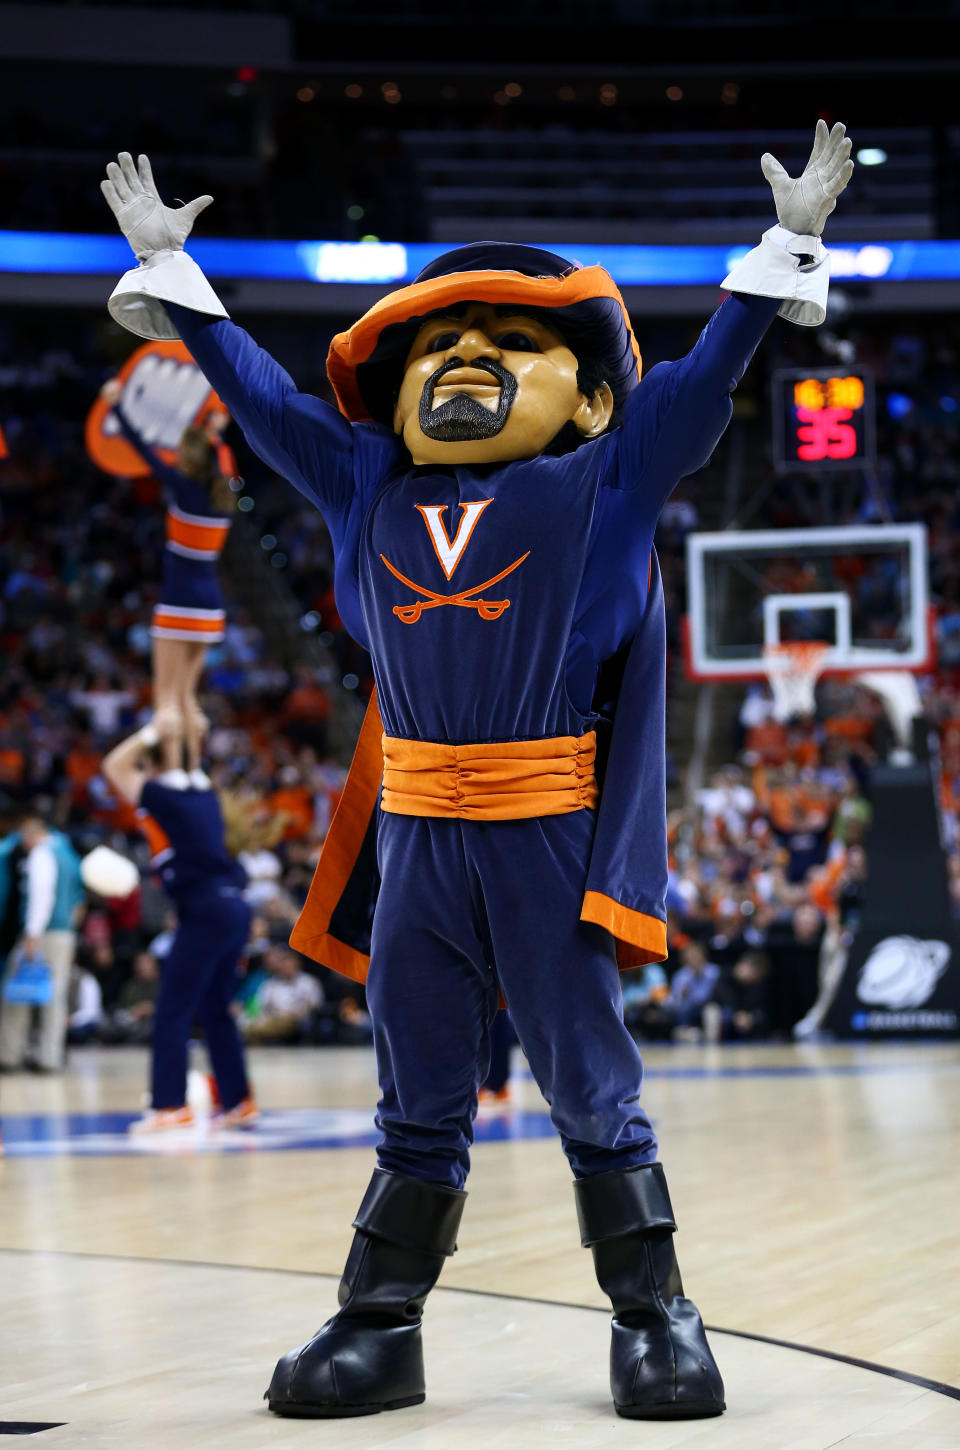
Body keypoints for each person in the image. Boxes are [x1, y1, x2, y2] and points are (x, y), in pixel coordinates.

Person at [101, 124, 853, 1421]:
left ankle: (656, 1312)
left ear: (590, 396)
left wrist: (780, 251)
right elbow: (269, 406)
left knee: (587, 1079)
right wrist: (183, 276)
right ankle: (379, 1321)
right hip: (416, 839)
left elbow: (697, 380)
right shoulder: (365, 481)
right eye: (437, 348)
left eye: (513, 346)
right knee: (418, 1088)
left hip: (546, 829)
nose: (463, 361)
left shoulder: (603, 477)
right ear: (392, 398)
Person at [102, 715, 257, 1131]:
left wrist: (155, 731)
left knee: (172, 1009)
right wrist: (188, 730)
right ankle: (239, 1101)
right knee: (215, 1008)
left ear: (152, 767)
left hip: (207, 911)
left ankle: (170, 1105)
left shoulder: (165, 798)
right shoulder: (202, 795)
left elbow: (114, 767)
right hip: (231, 908)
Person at [100, 376, 234, 774]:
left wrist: (115, 406)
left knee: (167, 701)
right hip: (211, 606)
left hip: (179, 600)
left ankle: (176, 774)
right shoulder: (224, 496)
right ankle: (193, 774)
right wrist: (214, 427)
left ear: (188, 458)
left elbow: (142, 449)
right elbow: (218, 452)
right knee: (188, 699)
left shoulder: (183, 487)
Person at [0, 813, 84, 1073]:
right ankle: (50, 1056)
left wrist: (32, 934)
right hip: (64, 932)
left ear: (30, 835)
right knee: (54, 996)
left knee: (17, 994)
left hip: (42, 933)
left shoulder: (41, 854)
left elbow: (41, 894)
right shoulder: (68, 853)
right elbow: (79, 900)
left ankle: (8, 1054)